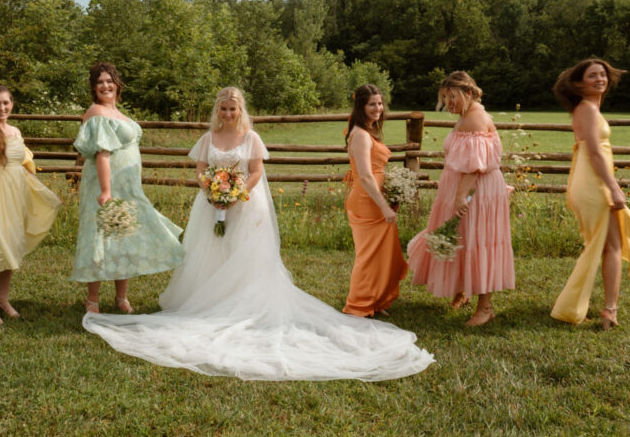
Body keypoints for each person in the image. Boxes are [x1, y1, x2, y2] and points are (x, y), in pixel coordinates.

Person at [81, 87, 434, 381]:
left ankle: (243, 302)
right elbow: (201, 169)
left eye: (234, 108)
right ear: (218, 110)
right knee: (210, 252)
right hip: (210, 204)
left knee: (245, 254)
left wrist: (237, 193)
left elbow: (255, 171)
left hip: (247, 203)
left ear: (241, 110)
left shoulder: (251, 137)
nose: (229, 113)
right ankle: (209, 300)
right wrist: (212, 190)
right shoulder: (209, 137)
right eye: (224, 108)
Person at [71, 62, 184, 313]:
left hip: (127, 186)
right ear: (93, 87)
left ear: (117, 84)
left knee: (124, 237)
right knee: (100, 239)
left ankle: (121, 298)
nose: (105, 85)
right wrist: (106, 190)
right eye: (99, 82)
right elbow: (102, 153)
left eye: (109, 80)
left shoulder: (118, 113)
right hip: (105, 187)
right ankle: (93, 300)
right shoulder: (97, 113)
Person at [406, 72, 514, 326]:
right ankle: (462, 291)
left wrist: (460, 196)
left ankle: (485, 308)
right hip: (464, 188)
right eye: (445, 99)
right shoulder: (468, 115)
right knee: (463, 237)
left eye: (452, 98)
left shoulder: (475, 118)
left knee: (479, 241)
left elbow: (474, 167)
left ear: (467, 94)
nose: (448, 104)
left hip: (476, 190)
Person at [550, 59, 630, 329]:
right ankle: (608, 311)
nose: (600, 79)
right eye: (592, 75)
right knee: (610, 246)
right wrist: (613, 187)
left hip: (590, 180)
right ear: (579, 83)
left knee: (604, 246)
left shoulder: (588, 108)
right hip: (593, 183)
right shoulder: (587, 109)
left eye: (603, 74)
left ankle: (590, 306)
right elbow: (593, 152)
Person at [0, 86, 62, 324]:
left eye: (6, 103)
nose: (1, 107)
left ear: (12, 104)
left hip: (16, 194)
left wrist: (38, 191)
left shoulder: (15, 131)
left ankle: (2, 299)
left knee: (12, 247)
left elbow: (25, 164)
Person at [342, 84, 406, 317]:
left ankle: (373, 300)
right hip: (366, 201)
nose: (378, 108)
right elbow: (367, 176)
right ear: (361, 106)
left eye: (380, 103)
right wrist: (383, 207)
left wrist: (392, 195)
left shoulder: (367, 132)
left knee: (381, 254)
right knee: (368, 255)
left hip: (376, 199)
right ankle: (358, 305)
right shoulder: (360, 135)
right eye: (372, 104)